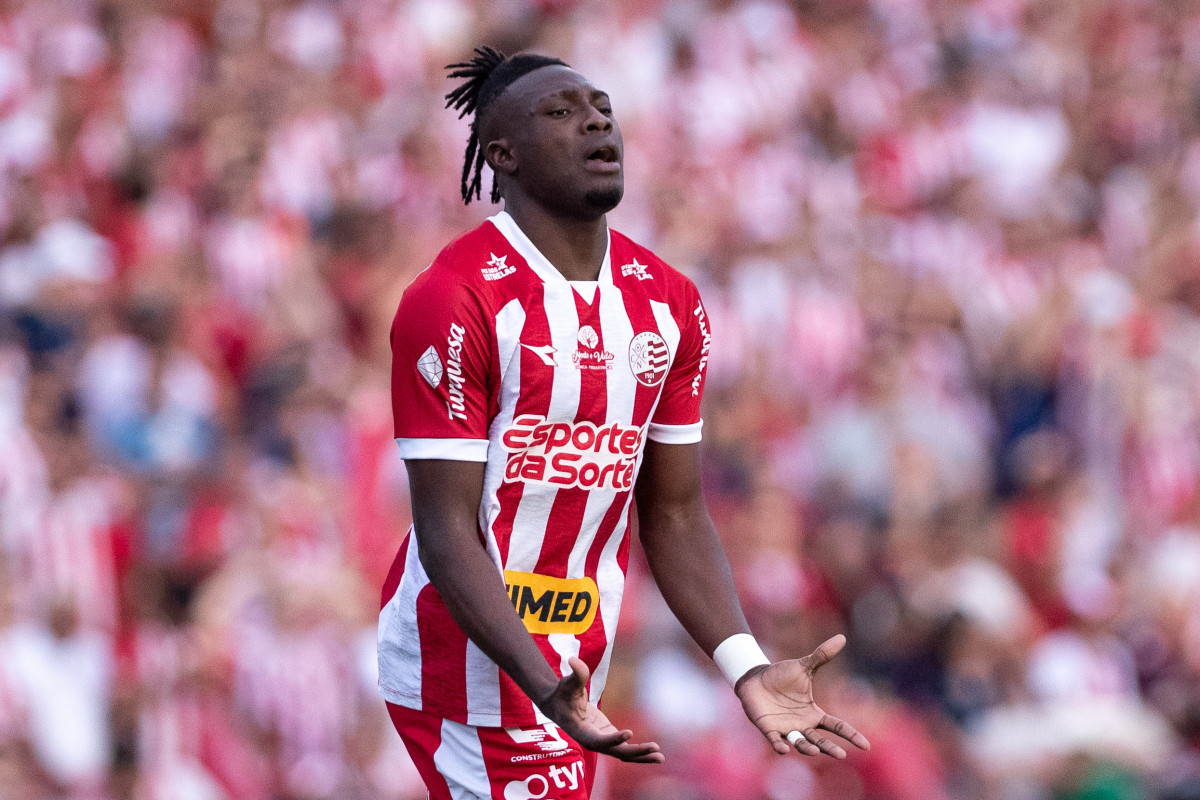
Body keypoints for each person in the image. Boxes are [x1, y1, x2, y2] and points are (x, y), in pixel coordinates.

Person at [379, 46, 870, 799]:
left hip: (575, 664)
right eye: (561, 112)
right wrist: (543, 685)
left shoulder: (669, 303)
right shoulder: (454, 298)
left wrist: (746, 666)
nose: (595, 121)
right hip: (470, 663)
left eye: (601, 107)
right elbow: (446, 528)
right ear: (501, 153)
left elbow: (672, 510)